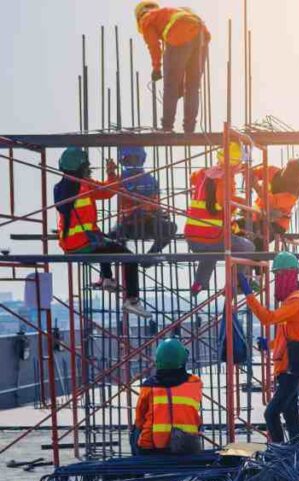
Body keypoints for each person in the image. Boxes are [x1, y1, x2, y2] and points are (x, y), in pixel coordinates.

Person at [53, 146, 150, 318]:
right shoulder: (85, 186)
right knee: (129, 256)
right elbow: (109, 191)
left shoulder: (59, 188)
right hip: (85, 243)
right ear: (82, 167)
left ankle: (107, 278)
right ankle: (132, 300)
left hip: (69, 244)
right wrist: (111, 173)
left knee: (107, 242)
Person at [242, 252, 299, 445]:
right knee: (291, 414)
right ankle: (295, 455)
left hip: (293, 367)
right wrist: (271, 344)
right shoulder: (294, 299)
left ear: (289, 276)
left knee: (271, 413)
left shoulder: (296, 301)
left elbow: (268, 318)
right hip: (290, 365)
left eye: (279, 276)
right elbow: (290, 335)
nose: (277, 280)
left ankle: (279, 454)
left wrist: (250, 295)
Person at [184, 141, 255, 294]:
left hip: (193, 240)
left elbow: (197, 181)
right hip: (212, 239)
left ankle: (199, 282)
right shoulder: (225, 180)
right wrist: (245, 205)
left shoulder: (202, 174)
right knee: (248, 247)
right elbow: (224, 202)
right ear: (234, 163)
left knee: (210, 253)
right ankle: (235, 284)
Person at [134, 2, 210, 133]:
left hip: (180, 33)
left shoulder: (146, 18)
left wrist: (156, 68)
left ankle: (167, 127)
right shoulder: (170, 12)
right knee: (192, 87)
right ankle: (189, 129)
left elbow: (154, 47)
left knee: (170, 86)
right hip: (201, 34)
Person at [131, 338, 203, 455]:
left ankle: (137, 466)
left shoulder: (148, 386)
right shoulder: (195, 383)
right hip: (186, 446)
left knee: (136, 429)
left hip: (152, 448)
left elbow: (140, 419)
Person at [112, 146, 178, 258]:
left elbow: (156, 202)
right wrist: (111, 174)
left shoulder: (149, 179)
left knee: (170, 227)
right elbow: (107, 191)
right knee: (111, 239)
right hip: (128, 224)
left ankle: (150, 256)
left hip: (148, 223)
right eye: (129, 159)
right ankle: (127, 262)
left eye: (135, 158)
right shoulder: (120, 179)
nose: (132, 162)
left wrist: (159, 212)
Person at [247, 156, 299, 251]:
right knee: (237, 232)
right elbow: (253, 173)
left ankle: (255, 263)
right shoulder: (272, 171)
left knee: (257, 244)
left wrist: (257, 187)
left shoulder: (293, 193)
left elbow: (273, 202)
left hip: (276, 224)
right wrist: (252, 177)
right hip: (257, 217)